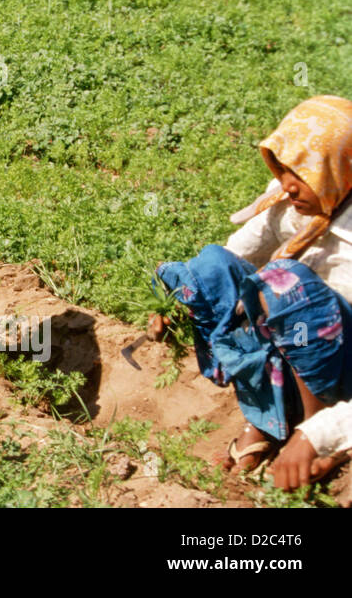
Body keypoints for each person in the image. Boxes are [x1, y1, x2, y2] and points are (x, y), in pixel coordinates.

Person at [151, 95, 352, 477]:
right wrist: (177, 302)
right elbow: (233, 254)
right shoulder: (289, 203)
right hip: (293, 342)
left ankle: (315, 423)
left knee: (285, 283)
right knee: (209, 268)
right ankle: (266, 415)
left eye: (304, 173)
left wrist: (320, 432)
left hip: (341, 360)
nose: (289, 186)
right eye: (283, 170)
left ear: (339, 169)